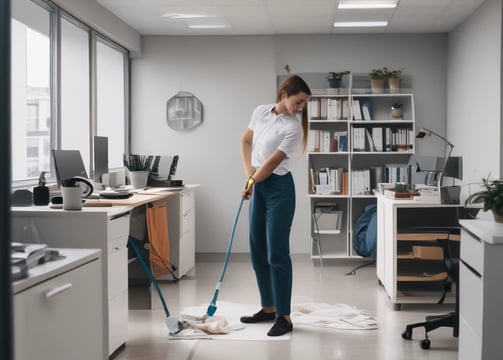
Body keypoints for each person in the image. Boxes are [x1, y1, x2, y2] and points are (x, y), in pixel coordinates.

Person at [239, 75, 311, 336]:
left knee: (276, 253)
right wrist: (249, 175)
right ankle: (267, 308)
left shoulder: (294, 128)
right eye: (298, 101)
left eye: (303, 104)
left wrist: (251, 181)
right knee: (257, 250)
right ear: (284, 94)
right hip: (258, 184)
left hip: (279, 188)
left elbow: (271, 163)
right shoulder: (260, 111)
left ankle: (284, 316)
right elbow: (246, 141)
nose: (300, 107)